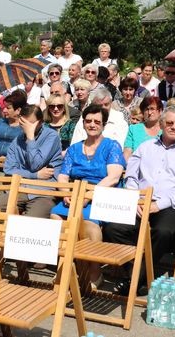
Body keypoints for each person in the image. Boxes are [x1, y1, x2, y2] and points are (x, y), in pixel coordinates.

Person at [103, 106, 175, 292]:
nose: (174, 127)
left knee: (163, 232)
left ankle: (135, 279)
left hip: (170, 205)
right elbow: (131, 176)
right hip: (140, 202)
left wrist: (159, 205)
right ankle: (137, 272)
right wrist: (135, 198)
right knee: (112, 228)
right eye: (170, 123)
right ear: (162, 124)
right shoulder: (145, 147)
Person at [52, 105, 125, 256]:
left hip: (102, 195)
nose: (92, 125)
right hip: (75, 193)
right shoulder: (74, 149)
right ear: (83, 123)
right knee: (56, 217)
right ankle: (66, 267)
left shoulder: (112, 146)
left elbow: (113, 177)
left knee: (89, 225)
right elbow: (63, 176)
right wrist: (66, 193)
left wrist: (87, 195)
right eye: (88, 121)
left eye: (97, 122)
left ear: (104, 125)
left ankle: (93, 272)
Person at [0, 105, 63, 217]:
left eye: (31, 124)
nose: (27, 127)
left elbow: (35, 164)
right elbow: (9, 169)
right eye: (24, 123)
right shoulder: (17, 141)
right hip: (20, 188)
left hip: (43, 191)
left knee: (31, 221)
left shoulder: (51, 136)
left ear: (40, 122)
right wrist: (35, 175)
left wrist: (30, 137)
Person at [0, 90, 26, 157]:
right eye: (4, 107)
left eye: (8, 108)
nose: (4, 110)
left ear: (18, 110)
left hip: (13, 164)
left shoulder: (24, 127)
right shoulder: (0, 122)